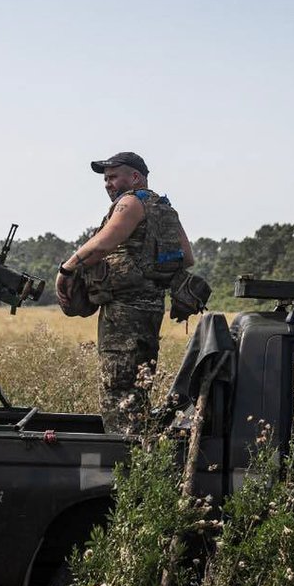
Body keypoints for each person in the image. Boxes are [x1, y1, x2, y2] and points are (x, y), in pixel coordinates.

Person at [54, 152, 195, 419]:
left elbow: (104, 242)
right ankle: (142, 454)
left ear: (135, 177)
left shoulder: (130, 202)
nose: (108, 184)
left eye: (114, 177)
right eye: (106, 179)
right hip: (151, 312)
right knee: (138, 393)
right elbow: (187, 257)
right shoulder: (163, 206)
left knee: (118, 398)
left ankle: (122, 456)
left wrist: (66, 269)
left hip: (123, 317)